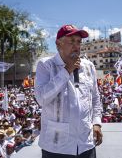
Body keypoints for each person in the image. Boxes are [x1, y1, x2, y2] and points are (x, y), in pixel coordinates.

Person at [35, 24, 103, 158]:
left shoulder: (88, 66)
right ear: (58, 44)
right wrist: (67, 71)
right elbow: (41, 99)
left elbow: (95, 97)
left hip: (86, 144)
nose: (76, 46)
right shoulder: (45, 65)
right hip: (57, 147)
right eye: (71, 41)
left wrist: (96, 122)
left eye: (78, 42)